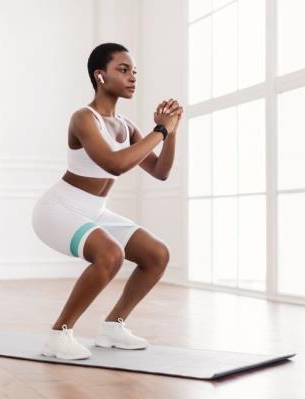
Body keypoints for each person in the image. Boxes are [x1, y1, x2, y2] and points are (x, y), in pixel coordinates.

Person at [32, 43, 183, 360]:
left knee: (156, 255)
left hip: (93, 212)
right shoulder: (83, 119)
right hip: (58, 211)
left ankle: (113, 328)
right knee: (110, 255)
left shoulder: (126, 126)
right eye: (123, 70)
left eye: (134, 72)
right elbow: (115, 164)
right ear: (100, 76)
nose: (132, 78)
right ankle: (58, 335)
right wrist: (159, 130)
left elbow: (160, 171)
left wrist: (171, 132)